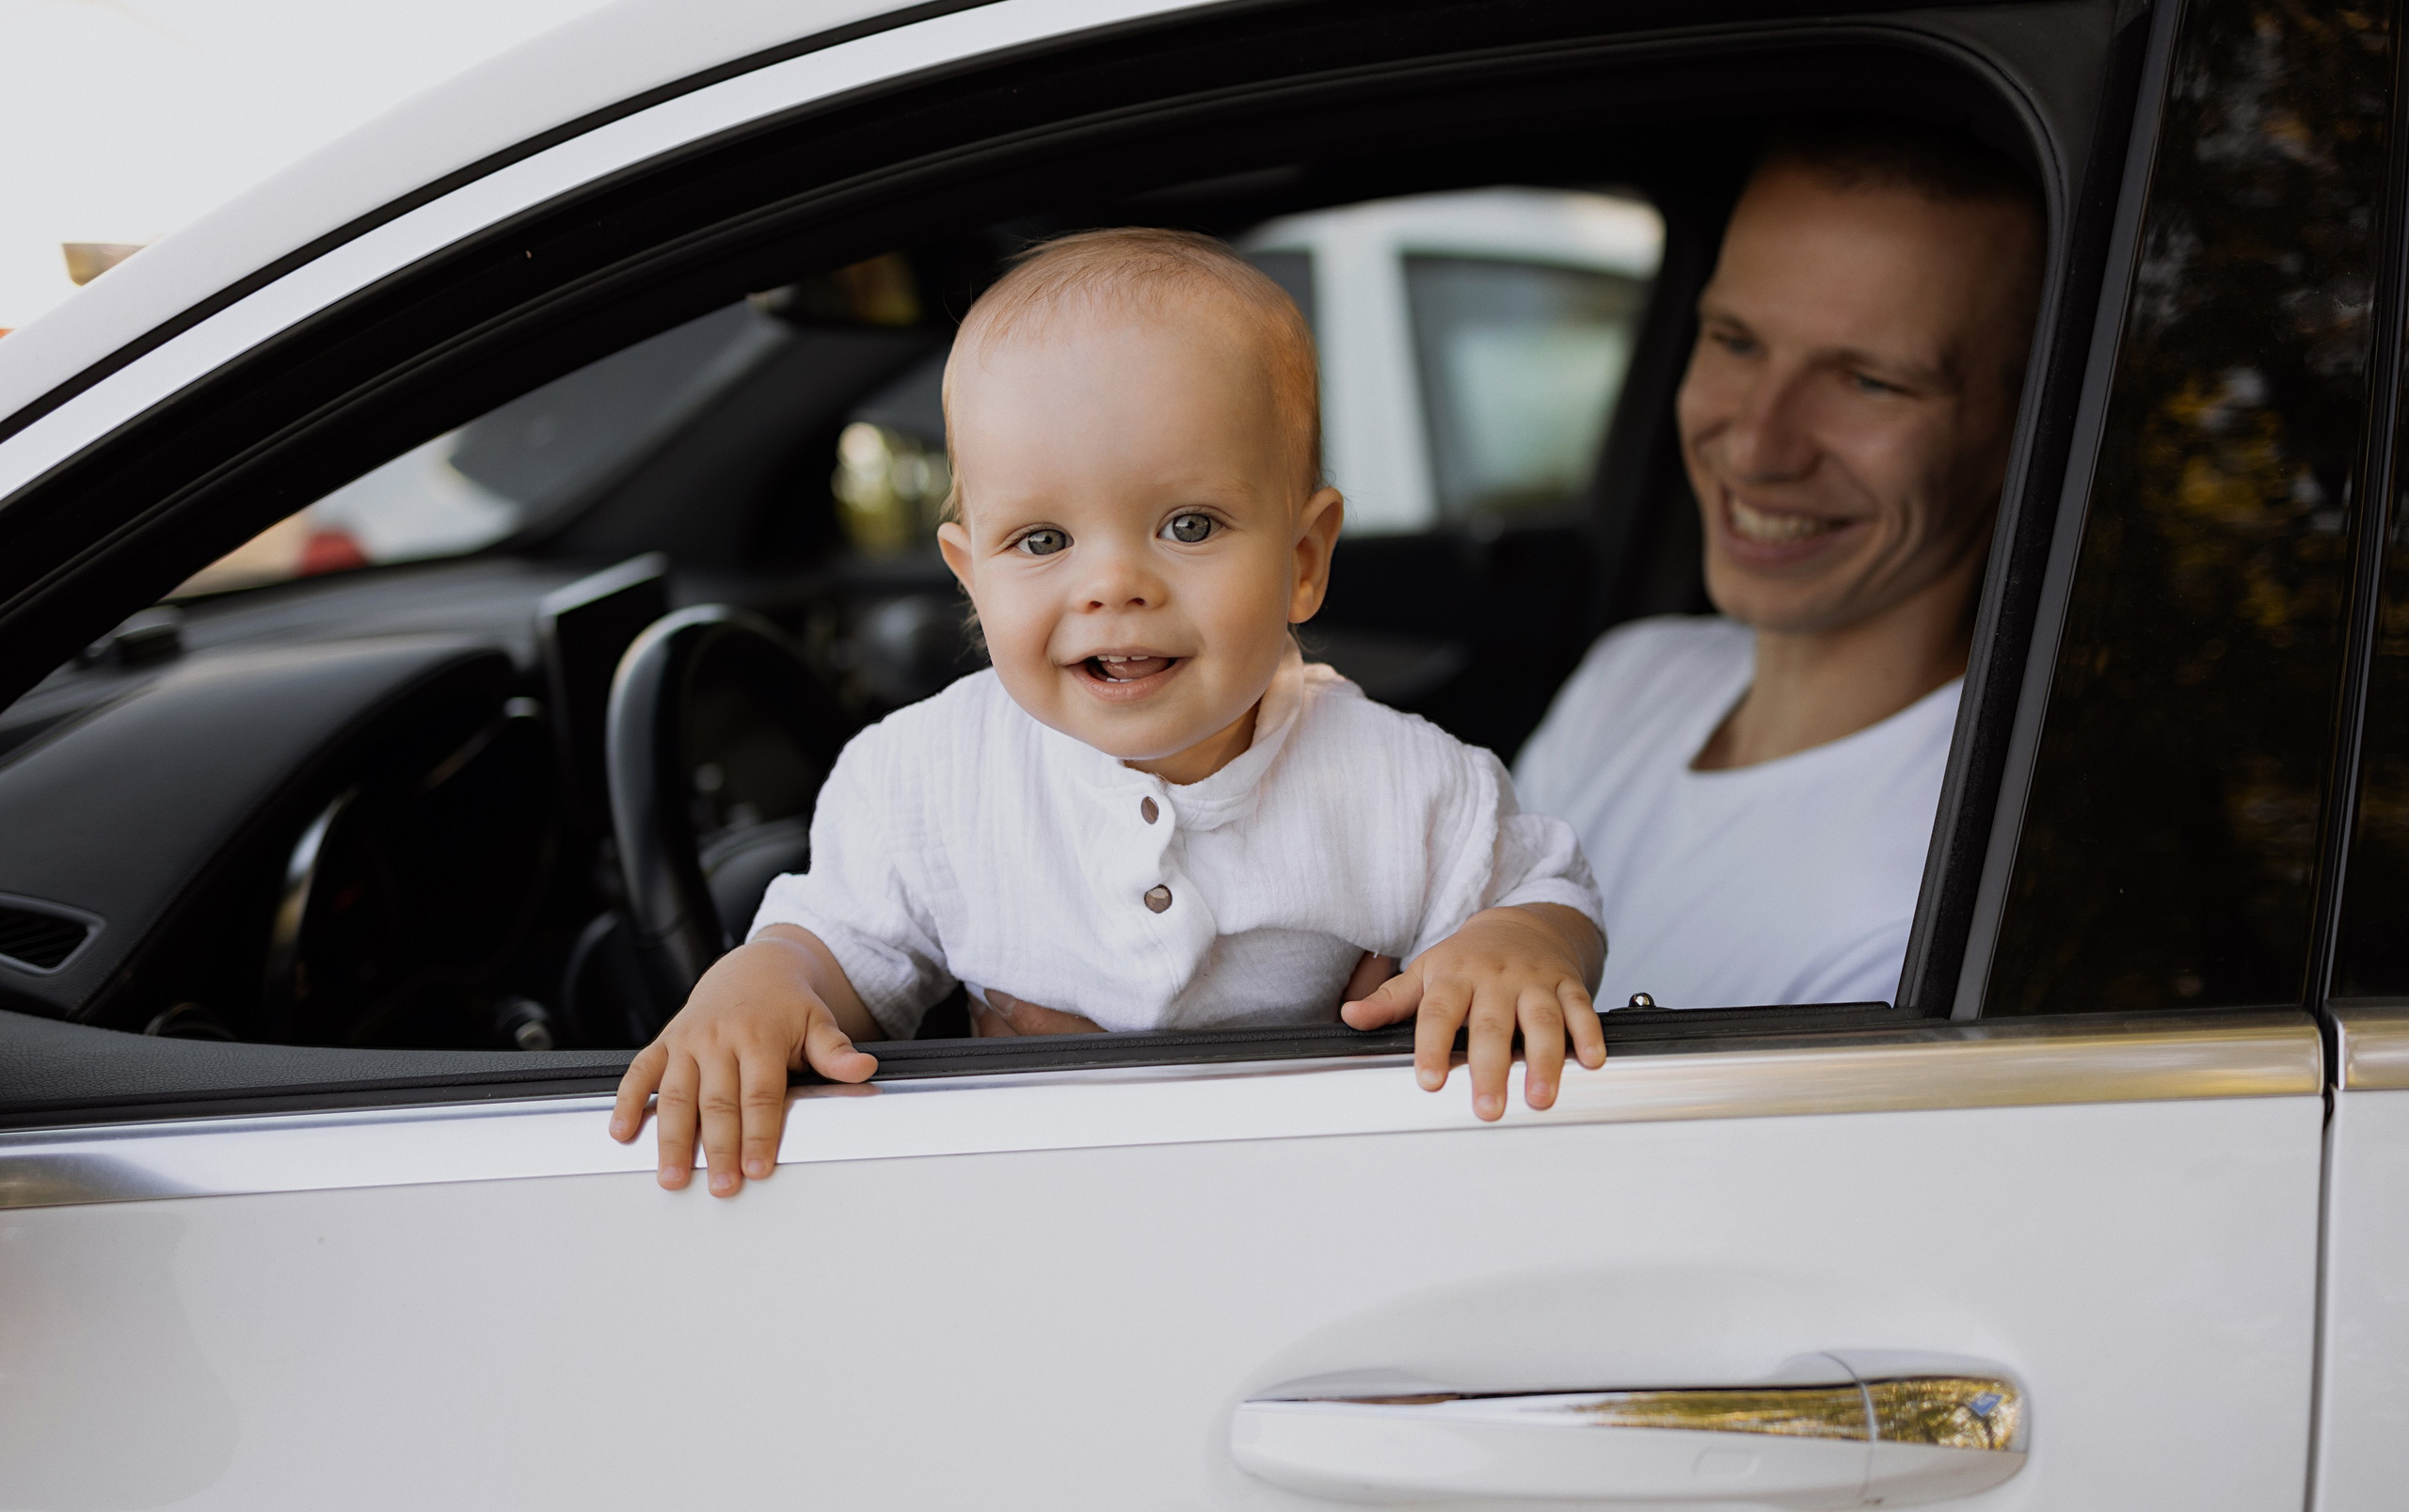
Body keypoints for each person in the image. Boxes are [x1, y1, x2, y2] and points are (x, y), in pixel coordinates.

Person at [612, 229, 1607, 1196]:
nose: (1113, 584)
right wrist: (758, 985)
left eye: (1187, 525)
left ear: (1303, 561)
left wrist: (1520, 944)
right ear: (970, 576)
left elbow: (1545, 891)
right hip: (1026, 1227)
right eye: (1042, 539)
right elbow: (835, 943)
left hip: (1316, 1212)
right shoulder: (921, 775)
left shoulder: (1407, 782)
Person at [1514, 119, 2045, 1009]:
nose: (1757, 445)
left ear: (2017, 430)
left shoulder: (1946, 892)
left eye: (1869, 381)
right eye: (1736, 341)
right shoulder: (1633, 676)